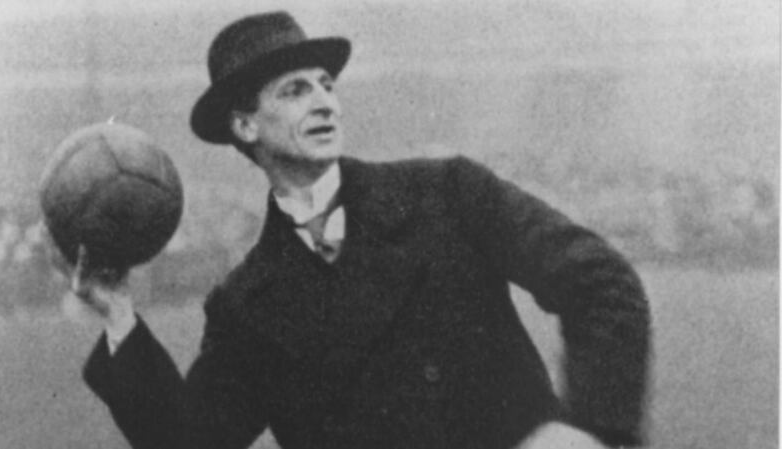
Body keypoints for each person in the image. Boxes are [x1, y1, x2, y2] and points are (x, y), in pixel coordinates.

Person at [71, 11, 650, 449]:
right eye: (295, 91)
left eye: (326, 84)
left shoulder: (449, 194)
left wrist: (593, 431)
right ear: (246, 125)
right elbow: (189, 443)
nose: (324, 102)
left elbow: (600, 281)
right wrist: (118, 313)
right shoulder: (246, 304)